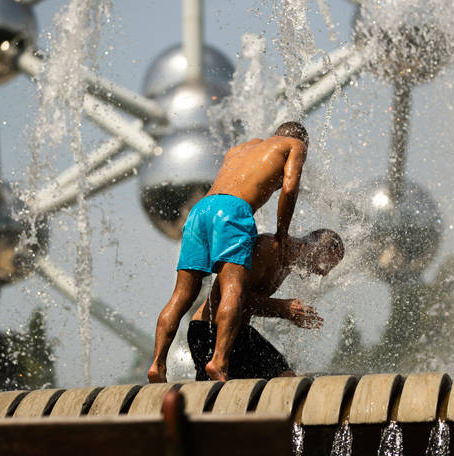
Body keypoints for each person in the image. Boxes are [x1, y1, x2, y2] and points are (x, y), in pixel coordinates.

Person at [147, 121, 309, 383]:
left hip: (201, 209)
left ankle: (157, 364)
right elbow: (290, 188)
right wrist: (281, 234)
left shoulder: (241, 149)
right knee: (233, 288)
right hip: (231, 212)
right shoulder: (295, 145)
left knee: (181, 295)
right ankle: (219, 361)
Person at [189, 229, 345, 380]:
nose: (323, 274)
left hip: (238, 333)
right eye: (326, 266)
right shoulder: (269, 248)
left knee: (286, 379)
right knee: (214, 399)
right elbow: (233, 298)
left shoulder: (288, 264)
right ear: (312, 248)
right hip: (209, 332)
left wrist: (286, 312)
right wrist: (282, 308)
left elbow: (249, 305)